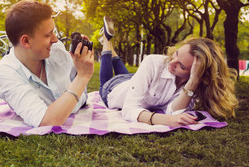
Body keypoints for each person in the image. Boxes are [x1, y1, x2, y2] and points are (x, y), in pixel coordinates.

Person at [98, 17, 238, 127]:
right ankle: (106, 41)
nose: (171, 62)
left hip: (132, 81)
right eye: (176, 54)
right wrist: (166, 120)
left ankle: (110, 45)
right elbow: (129, 110)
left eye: (181, 66)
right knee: (106, 81)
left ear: (197, 74)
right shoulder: (153, 62)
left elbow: (174, 110)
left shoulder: (194, 83)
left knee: (126, 75)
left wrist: (193, 82)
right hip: (112, 90)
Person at [0, 0, 94, 127]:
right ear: (26, 41)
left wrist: (81, 61)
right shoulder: (6, 73)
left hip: (81, 98)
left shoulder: (55, 48)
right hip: (74, 99)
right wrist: (83, 76)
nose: (55, 39)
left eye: (54, 32)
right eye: (48, 35)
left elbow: (73, 73)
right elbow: (46, 121)